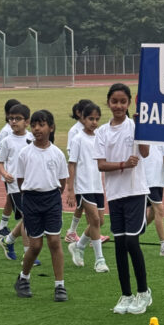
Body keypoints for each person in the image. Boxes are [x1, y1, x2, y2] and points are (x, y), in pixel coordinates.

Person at [94, 82, 151, 315]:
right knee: (119, 245)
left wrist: (143, 129)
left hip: (136, 191)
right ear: (108, 102)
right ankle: (126, 295)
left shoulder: (135, 126)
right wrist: (122, 164)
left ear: (129, 103)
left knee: (131, 242)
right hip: (116, 194)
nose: (118, 105)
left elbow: (145, 152)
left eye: (123, 101)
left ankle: (143, 292)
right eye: (114, 101)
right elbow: (101, 165)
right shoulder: (102, 132)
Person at [13, 109, 69, 301]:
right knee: (35, 245)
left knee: (54, 241)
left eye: (42, 124)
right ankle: (23, 278)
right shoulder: (25, 153)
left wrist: (52, 194)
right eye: (34, 125)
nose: (37, 128)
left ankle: (60, 286)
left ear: (51, 128)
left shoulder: (57, 154)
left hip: (52, 199)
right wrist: (31, 194)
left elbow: (62, 182)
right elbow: (20, 181)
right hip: (31, 200)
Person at [66, 102, 109, 272]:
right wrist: (70, 189)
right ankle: (99, 260)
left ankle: (79, 245)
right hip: (83, 186)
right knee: (95, 220)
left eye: (97, 119)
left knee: (100, 221)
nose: (94, 122)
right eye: (91, 118)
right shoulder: (78, 139)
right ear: (82, 118)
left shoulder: (99, 137)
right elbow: (72, 164)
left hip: (97, 185)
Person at [0, 103, 33, 252]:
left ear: (27, 122)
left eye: (18, 118)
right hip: (15, 186)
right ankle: (28, 253)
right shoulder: (7, 141)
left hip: (31, 184)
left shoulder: (31, 138)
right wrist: (4, 174)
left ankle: (8, 240)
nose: (14, 122)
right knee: (27, 217)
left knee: (29, 217)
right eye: (11, 118)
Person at [64, 99, 93, 244]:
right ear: (79, 113)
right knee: (86, 205)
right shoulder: (74, 131)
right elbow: (72, 156)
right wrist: (70, 187)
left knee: (82, 205)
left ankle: (72, 231)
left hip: (89, 174)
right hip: (79, 174)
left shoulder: (92, 131)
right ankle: (93, 231)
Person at [144, 143, 164, 257]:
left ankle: (133, 235)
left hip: (158, 180)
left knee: (153, 213)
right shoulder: (141, 134)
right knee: (159, 210)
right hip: (146, 180)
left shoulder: (161, 136)